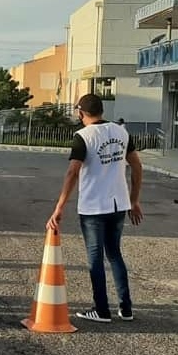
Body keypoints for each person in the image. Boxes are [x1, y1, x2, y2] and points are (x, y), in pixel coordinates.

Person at [46, 93, 144, 323]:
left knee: (95, 258)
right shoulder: (122, 132)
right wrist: (134, 200)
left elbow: (73, 172)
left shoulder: (83, 136)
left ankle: (101, 309)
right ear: (101, 110)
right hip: (118, 204)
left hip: (93, 207)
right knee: (115, 254)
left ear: (81, 113)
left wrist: (59, 207)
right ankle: (126, 308)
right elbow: (137, 166)